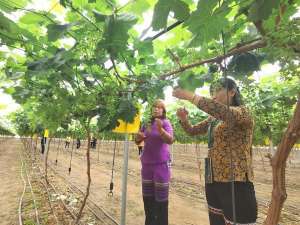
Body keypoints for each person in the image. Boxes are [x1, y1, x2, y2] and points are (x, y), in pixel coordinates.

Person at [172, 77, 257, 225]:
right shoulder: (213, 119)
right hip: (213, 176)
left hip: (235, 178)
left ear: (232, 92)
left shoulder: (244, 112)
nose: (213, 95)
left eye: (217, 90)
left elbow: (224, 112)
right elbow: (193, 131)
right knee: (216, 220)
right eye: (211, 91)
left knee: (237, 220)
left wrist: (190, 96)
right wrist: (184, 120)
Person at [135, 99, 174, 225]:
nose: (156, 109)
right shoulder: (146, 124)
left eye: (159, 107)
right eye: (154, 107)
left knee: (161, 199)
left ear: (163, 110)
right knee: (148, 197)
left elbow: (170, 140)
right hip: (146, 165)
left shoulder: (165, 123)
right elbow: (137, 140)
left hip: (161, 165)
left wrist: (160, 129)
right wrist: (138, 138)